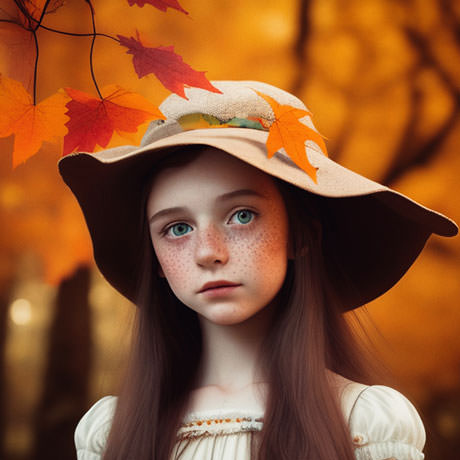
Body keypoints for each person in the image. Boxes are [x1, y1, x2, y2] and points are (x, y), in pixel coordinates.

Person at [58, 81, 457, 460]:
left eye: (241, 216)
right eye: (177, 228)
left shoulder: (364, 422)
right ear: (155, 260)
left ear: (300, 236)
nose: (208, 252)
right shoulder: (111, 430)